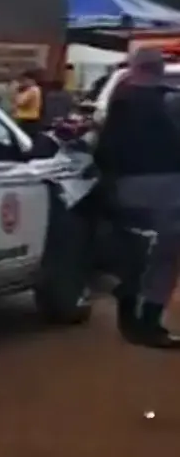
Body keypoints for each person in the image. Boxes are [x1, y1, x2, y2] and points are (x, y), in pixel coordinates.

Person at [95, 47, 180, 349]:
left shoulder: (117, 102)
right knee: (165, 258)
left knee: (132, 254)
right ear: (158, 69)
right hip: (167, 188)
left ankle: (129, 309)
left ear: (134, 68)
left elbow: (102, 148)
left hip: (122, 189)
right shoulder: (171, 101)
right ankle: (149, 323)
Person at [13, 68, 43, 138]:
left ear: (31, 80)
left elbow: (20, 102)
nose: (23, 82)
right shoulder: (34, 89)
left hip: (28, 120)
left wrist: (17, 91)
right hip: (29, 119)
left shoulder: (32, 90)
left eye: (24, 80)